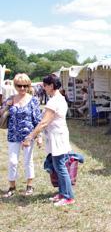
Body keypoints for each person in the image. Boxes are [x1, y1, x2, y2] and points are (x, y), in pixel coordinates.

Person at [22, 74, 75, 206]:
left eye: (45, 85)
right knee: (58, 167)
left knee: (60, 167)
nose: (44, 88)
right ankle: (63, 193)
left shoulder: (53, 102)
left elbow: (43, 123)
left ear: (51, 86)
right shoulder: (59, 98)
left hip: (57, 137)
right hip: (57, 136)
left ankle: (68, 196)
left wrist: (30, 137)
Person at [0, 74, 42, 197]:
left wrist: (38, 137)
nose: (22, 88)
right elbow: (1, 113)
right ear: (15, 86)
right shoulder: (11, 99)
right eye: (19, 86)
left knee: (28, 160)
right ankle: (12, 187)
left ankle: (29, 185)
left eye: (25, 86)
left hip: (28, 136)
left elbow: (37, 120)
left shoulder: (33, 100)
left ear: (29, 86)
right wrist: (7, 105)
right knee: (13, 161)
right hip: (13, 134)